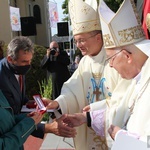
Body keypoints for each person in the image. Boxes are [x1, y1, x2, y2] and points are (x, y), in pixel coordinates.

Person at [62, 0, 150, 148]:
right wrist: (87, 118)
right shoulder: (140, 78)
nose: (110, 65)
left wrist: (123, 137)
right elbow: (122, 112)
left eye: (111, 59)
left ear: (127, 56)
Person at [45, 0, 131, 149]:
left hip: (112, 132)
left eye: (81, 40)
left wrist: (95, 109)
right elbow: (72, 90)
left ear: (98, 37)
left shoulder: (117, 58)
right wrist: (58, 104)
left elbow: (126, 97)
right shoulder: (85, 62)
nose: (78, 45)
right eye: (77, 41)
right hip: (90, 134)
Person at [0, 36, 75, 139]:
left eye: (30, 61)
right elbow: (9, 118)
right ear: (10, 59)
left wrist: (30, 103)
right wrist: (46, 128)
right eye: (25, 62)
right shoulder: (2, 77)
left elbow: (19, 97)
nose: (28, 65)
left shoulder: (18, 68)